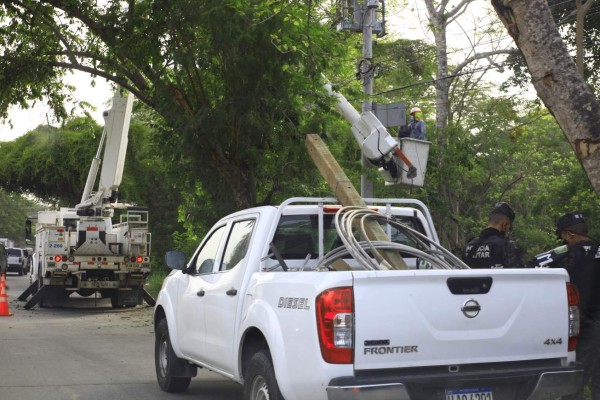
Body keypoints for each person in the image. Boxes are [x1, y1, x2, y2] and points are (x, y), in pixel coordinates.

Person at [530, 212, 600, 400]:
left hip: (581, 327)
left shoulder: (567, 252)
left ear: (569, 234)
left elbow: (534, 263)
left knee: (573, 385)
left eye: (562, 236)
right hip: (595, 327)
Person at [463, 202, 524, 269]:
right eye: (509, 228)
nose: (508, 231)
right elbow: (520, 275)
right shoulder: (507, 246)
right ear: (504, 224)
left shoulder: (468, 247)